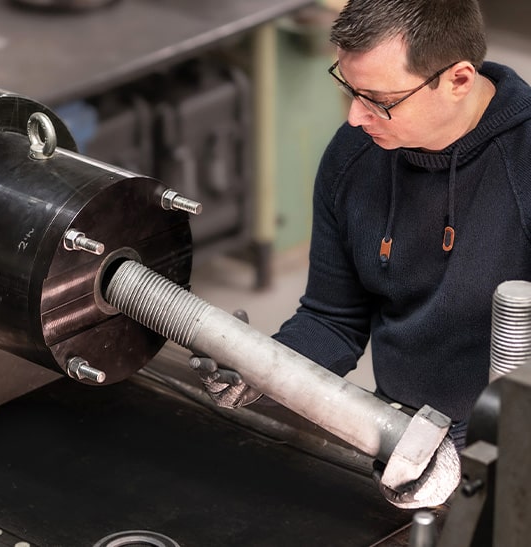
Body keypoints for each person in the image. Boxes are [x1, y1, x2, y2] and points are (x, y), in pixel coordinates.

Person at [192, 0, 531, 455]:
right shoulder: (354, 154)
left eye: (381, 101)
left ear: (459, 80)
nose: (355, 116)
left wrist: (463, 449)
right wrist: (262, 370)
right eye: (349, 88)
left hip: (506, 451)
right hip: (402, 437)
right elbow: (333, 320)